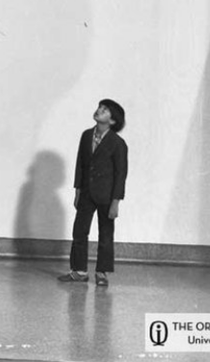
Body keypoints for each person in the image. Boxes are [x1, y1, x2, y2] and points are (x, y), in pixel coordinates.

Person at [58, 99, 127, 286]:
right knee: (79, 231)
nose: (99, 111)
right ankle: (79, 270)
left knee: (105, 234)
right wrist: (78, 191)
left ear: (112, 121)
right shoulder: (86, 136)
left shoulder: (117, 143)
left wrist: (116, 202)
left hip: (107, 195)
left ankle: (102, 272)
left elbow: (121, 175)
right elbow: (81, 164)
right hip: (87, 193)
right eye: (100, 108)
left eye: (104, 110)